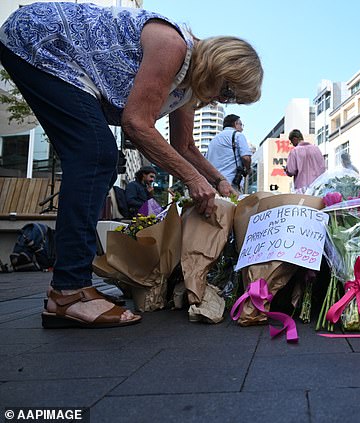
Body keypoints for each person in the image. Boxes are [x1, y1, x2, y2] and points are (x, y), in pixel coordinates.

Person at [0, 2, 263, 328]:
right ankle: (68, 292)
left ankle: (73, 287)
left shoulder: (187, 87)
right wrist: (194, 181)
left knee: (98, 159)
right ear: (218, 66)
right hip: (41, 37)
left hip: (59, 56)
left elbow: (184, 147)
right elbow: (137, 124)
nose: (224, 101)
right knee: (96, 155)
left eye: (233, 99)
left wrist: (220, 182)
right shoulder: (173, 46)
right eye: (227, 90)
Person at [205, 114, 252, 192]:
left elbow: (206, 161)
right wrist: (248, 169)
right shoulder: (238, 135)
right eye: (241, 125)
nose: (242, 128)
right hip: (230, 184)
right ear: (235, 124)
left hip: (213, 184)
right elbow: (246, 157)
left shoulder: (214, 140)